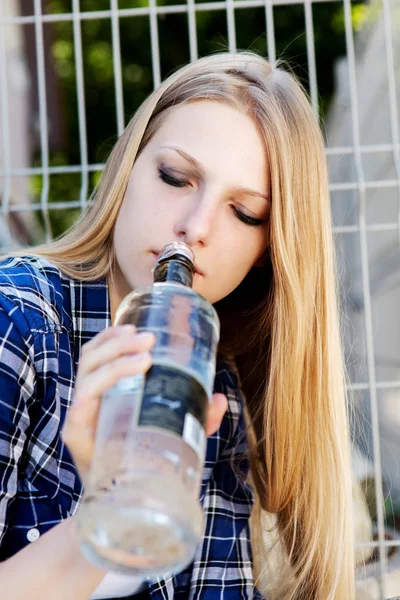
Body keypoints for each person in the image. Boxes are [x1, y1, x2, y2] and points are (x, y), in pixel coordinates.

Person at [0, 51, 355, 599]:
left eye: (244, 213)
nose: (194, 228)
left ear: (268, 250)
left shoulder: (217, 397)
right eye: (176, 177)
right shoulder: (17, 318)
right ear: (127, 168)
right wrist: (104, 512)